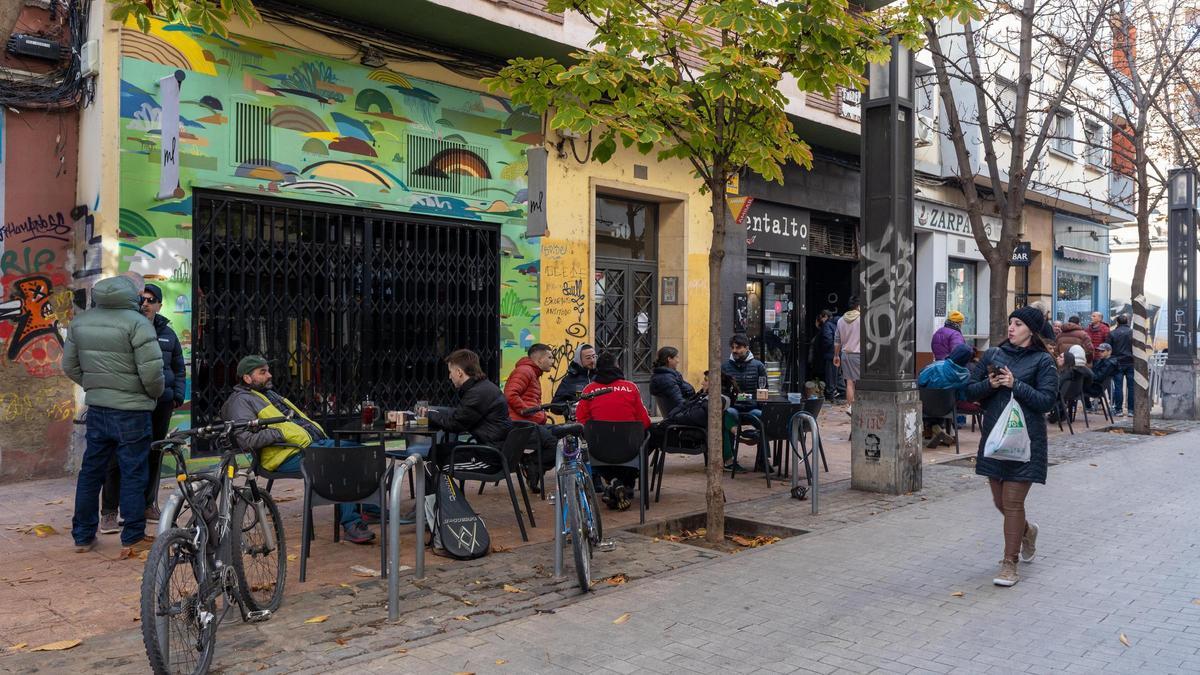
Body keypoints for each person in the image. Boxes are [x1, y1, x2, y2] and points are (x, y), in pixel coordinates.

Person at [222, 355, 378, 544]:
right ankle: (351, 523)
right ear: (247, 378)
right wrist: (278, 433)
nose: (269, 375)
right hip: (286, 455)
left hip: (311, 445)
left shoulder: (268, 394)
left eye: (268, 370)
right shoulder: (240, 401)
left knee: (365, 453)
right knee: (341, 461)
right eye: (262, 372)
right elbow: (245, 440)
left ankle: (370, 507)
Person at [64, 275, 165, 556]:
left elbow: (69, 365)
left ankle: (83, 536)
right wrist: (151, 395)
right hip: (132, 411)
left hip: (98, 409)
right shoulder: (137, 324)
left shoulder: (81, 322)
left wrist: (95, 386)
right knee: (134, 471)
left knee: (91, 472)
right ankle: (132, 536)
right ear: (132, 294)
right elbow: (152, 372)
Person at [963, 306, 1057, 588]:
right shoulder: (993, 355)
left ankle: (1009, 563)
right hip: (995, 439)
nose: (1011, 328)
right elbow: (969, 391)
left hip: (1027, 442)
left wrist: (1016, 385)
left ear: (1031, 330)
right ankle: (1027, 532)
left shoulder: (1043, 360)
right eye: (1010, 323)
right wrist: (990, 385)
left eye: (1018, 324)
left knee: (1014, 502)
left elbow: (1047, 401)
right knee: (1000, 502)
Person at [98, 283, 184, 531]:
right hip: (132, 403)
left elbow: (178, 366)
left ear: (159, 305)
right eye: (142, 299)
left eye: (151, 299)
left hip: (162, 402)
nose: (145, 303)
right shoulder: (126, 329)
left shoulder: (169, 333)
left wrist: (177, 394)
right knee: (118, 453)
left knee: (153, 453)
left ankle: (147, 505)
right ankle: (110, 511)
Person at [576, 353, 651, 510]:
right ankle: (623, 484)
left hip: (599, 450)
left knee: (598, 447)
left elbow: (581, 420)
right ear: (617, 367)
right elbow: (644, 421)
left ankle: (613, 483)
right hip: (629, 448)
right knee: (647, 439)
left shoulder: (589, 389)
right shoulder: (630, 387)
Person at [504, 344, 556, 488]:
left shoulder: (533, 373)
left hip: (531, 422)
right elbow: (510, 395)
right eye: (550, 357)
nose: (553, 361)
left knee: (563, 436)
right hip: (520, 425)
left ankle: (533, 465)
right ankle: (530, 463)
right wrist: (527, 411)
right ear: (539, 360)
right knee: (555, 445)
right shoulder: (524, 371)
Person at [918, 343, 975, 448]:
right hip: (947, 407)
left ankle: (934, 428)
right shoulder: (966, 375)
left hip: (926, 406)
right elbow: (962, 396)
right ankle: (939, 428)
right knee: (943, 402)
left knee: (927, 401)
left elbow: (920, 381)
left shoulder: (937, 366)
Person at [834, 296, 862, 412]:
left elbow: (837, 340)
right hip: (859, 355)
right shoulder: (862, 319)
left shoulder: (841, 320)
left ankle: (850, 407)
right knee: (860, 383)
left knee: (849, 383)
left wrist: (836, 355)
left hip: (845, 355)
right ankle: (860, 408)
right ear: (859, 306)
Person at [649, 346, 695, 415]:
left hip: (680, 413)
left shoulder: (669, 376)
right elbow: (679, 402)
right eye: (676, 357)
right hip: (680, 416)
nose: (678, 361)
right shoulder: (666, 379)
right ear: (669, 359)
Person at [1108, 314, 1134, 416]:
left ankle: (1118, 409)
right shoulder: (1132, 333)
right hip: (1131, 362)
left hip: (1117, 362)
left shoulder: (1112, 333)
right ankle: (1131, 410)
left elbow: (1108, 348)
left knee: (1118, 386)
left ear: (1117, 322)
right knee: (1131, 387)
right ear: (1127, 321)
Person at [815, 310, 839, 402]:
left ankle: (831, 395)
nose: (820, 319)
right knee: (836, 375)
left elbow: (827, 340)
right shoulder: (835, 324)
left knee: (830, 375)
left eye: (821, 317)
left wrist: (824, 350)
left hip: (830, 354)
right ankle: (839, 393)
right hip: (836, 353)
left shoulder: (827, 325)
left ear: (825, 316)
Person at [1087, 342, 1119, 408]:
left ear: (1109, 352)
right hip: (1095, 385)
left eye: (1102, 351)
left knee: (1078, 386)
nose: (1100, 353)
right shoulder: (1101, 361)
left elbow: (1098, 377)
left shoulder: (1109, 363)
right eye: (1098, 351)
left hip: (1096, 388)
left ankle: (1088, 407)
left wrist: (1088, 374)